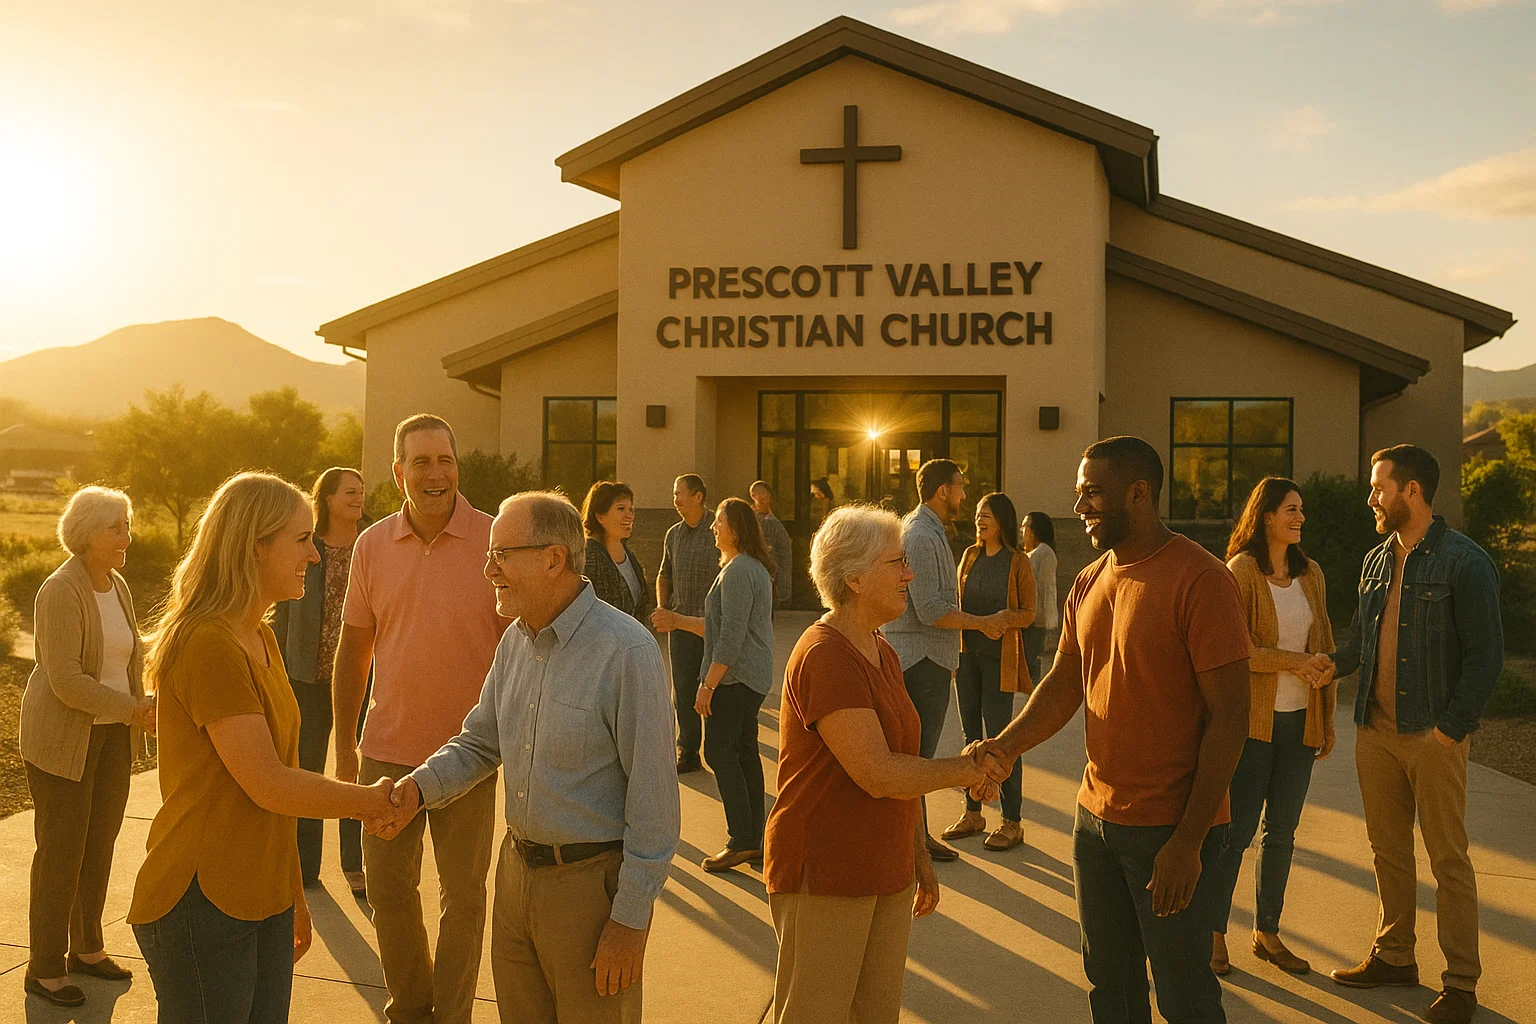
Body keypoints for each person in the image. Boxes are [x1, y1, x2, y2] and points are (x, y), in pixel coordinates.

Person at [973, 437, 1252, 1024]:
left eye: (1093, 494)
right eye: (1080, 494)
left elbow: (1231, 717)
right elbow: (1064, 683)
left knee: (1186, 999)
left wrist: (1188, 843)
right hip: (1094, 823)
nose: (1080, 507)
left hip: (1170, 829)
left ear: (1139, 493)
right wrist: (1005, 746)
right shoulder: (1089, 580)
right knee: (1111, 989)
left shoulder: (1202, 580)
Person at [374, 492, 680, 1024]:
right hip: (515, 879)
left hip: (589, 894)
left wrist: (630, 921)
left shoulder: (626, 651)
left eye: (501, 555)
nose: (488, 569)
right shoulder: (515, 642)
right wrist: (416, 790)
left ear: (553, 559)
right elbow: (479, 742)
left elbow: (654, 803)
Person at [127, 472, 394, 1023]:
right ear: (255, 546)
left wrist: (290, 892)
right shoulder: (209, 643)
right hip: (203, 900)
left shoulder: (260, 635)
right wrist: (369, 801)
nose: (315, 556)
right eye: (302, 540)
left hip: (261, 894)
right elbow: (269, 783)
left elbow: (280, 784)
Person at [763, 504, 992, 1024]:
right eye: (898, 563)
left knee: (875, 1014)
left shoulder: (881, 648)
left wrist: (917, 857)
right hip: (826, 871)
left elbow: (901, 765)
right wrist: (965, 770)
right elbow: (878, 772)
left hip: (884, 869)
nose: (909, 574)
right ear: (855, 579)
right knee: (815, 1015)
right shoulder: (826, 655)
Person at [331, 414, 509, 1024]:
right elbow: (354, 649)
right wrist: (346, 745)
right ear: (398, 471)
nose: (436, 474)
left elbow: (521, 648)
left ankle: (452, 1015)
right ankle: (410, 1006)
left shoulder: (495, 539)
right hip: (387, 750)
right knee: (386, 889)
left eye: (445, 460)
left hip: (471, 756)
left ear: (458, 466)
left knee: (464, 897)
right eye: (422, 462)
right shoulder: (372, 545)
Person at [1327, 445, 1501, 1024]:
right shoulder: (1376, 560)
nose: (1371, 499)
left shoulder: (1465, 562)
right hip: (1374, 732)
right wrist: (1328, 664)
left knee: (1448, 861)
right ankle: (1395, 955)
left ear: (1412, 491)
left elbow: (1485, 657)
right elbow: (1360, 643)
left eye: (1379, 488)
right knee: (1388, 852)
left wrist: (1449, 731)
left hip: (1433, 735)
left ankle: (1461, 984)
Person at [20, 486, 155, 1007]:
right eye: (114, 527)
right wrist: (134, 710)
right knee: (62, 851)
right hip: (64, 739)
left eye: (127, 525)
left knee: (99, 844)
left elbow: (126, 656)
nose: (126, 536)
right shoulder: (60, 590)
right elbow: (67, 680)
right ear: (84, 534)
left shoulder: (116, 584)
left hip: (112, 735)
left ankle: (87, 949)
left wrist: (142, 703)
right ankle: (45, 968)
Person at [1208, 478, 1337, 977]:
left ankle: (1267, 933)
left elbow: (1324, 645)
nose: (1300, 518)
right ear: (1266, 517)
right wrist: (1296, 662)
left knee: (1281, 834)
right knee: (1236, 833)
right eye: (1291, 510)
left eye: (1301, 509)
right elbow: (1236, 650)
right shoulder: (1240, 570)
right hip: (1252, 727)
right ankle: (1213, 932)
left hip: (1300, 724)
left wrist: (1326, 715)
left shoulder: (1311, 573)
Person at [882, 458, 1009, 862]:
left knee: (915, 756)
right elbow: (931, 609)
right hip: (920, 660)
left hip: (929, 658)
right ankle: (912, 842)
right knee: (917, 758)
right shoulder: (921, 535)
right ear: (942, 491)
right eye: (960, 487)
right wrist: (983, 624)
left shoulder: (929, 529)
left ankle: (913, 838)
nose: (964, 495)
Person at [272, 466, 370, 897]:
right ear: (327, 499)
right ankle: (305, 867)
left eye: (361, 492)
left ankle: (355, 863)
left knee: (355, 769)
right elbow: (283, 608)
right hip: (307, 675)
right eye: (350, 492)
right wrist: (276, 664)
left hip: (361, 677)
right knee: (307, 771)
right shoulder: (308, 545)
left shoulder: (372, 545)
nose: (359, 498)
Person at [941, 492, 1037, 852]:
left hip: (1000, 660)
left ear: (1002, 522)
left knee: (1002, 740)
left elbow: (1029, 613)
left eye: (987, 516)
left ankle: (1012, 822)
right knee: (971, 736)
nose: (980, 520)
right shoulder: (970, 555)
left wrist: (1002, 619)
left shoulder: (1018, 561)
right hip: (967, 657)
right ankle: (973, 813)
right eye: (978, 515)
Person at [691, 497, 776, 872]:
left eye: (719, 522)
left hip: (735, 679)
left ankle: (742, 840)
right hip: (746, 678)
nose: (713, 527)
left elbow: (731, 636)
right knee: (742, 753)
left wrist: (708, 685)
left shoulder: (740, 570)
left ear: (737, 530)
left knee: (719, 753)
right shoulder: (748, 567)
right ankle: (753, 839)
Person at [651, 474, 718, 774]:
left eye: (680, 494)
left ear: (698, 497)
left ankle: (719, 749)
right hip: (679, 625)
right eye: (674, 494)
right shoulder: (673, 534)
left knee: (717, 687)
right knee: (684, 689)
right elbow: (664, 574)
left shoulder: (718, 529)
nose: (675, 500)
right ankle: (688, 750)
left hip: (712, 625)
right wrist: (663, 607)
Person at [580, 481, 653, 623]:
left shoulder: (629, 555)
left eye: (631, 510)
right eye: (621, 509)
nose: (629, 516)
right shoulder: (588, 556)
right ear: (600, 517)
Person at [1021, 511, 1059, 682]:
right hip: (1027, 618)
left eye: (1025, 526)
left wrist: (1041, 619)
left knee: (1030, 663)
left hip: (1035, 620)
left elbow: (1044, 588)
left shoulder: (1044, 553)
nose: (1022, 530)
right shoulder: (1032, 554)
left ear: (1033, 531)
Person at [749, 479, 793, 608]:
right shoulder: (759, 521)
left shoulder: (773, 519)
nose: (762, 500)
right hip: (765, 582)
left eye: (764, 496)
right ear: (752, 497)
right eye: (758, 496)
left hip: (775, 582)